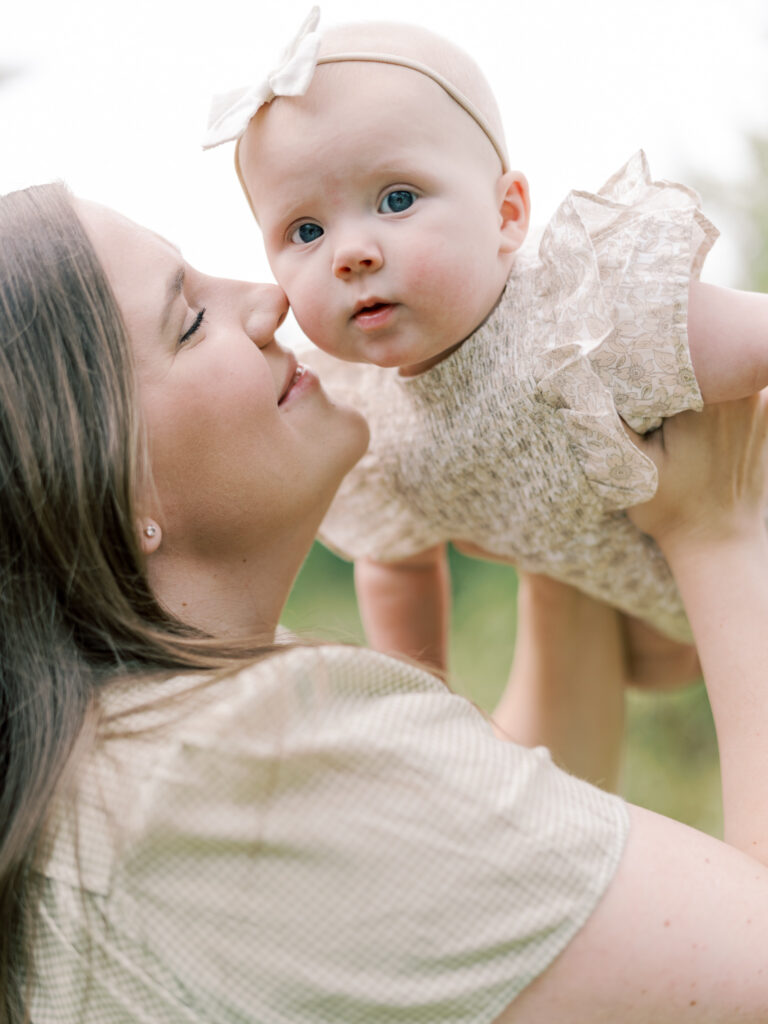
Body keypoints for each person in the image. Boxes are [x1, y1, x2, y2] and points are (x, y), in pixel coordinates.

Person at [5, 183, 768, 1024]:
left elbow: (517, 858)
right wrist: (716, 528)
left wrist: (539, 474)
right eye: (188, 321)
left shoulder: (136, 753)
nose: (268, 301)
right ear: (101, 484)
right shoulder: (233, 767)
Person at [203, 8, 768, 677]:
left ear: (506, 215)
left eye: (396, 199)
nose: (350, 253)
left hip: (741, 550)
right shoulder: (371, 433)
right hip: (689, 618)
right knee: (645, 665)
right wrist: (431, 702)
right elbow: (398, 568)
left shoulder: (579, 322)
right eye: (304, 231)